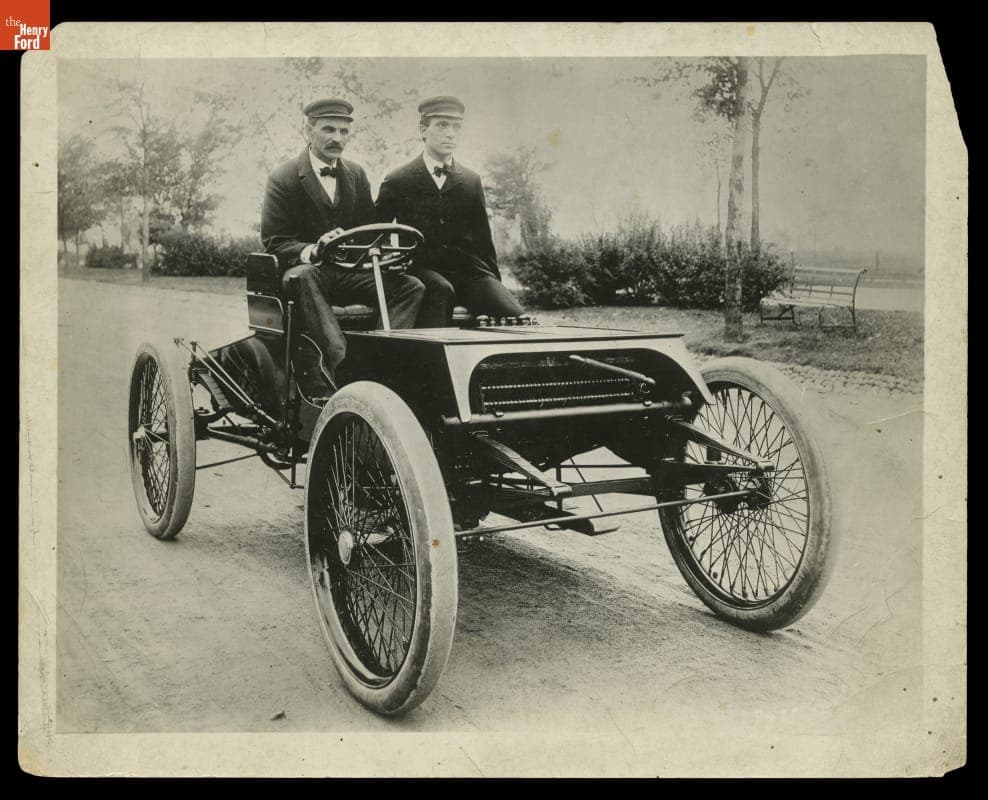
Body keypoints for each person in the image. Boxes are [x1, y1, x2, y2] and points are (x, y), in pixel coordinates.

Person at [261, 97, 426, 397]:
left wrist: (388, 255)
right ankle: (343, 365)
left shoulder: (357, 175)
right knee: (305, 276)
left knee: (412, 287)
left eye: (343, 131)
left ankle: (383, 362)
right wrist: (313, 249)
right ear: (309, 129)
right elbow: (274, 241)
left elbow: (369, 229)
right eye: (328, 129)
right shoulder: (283, 178)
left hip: (351, 272)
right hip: (306, 274)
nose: (337, 138)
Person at [375, 96, 524, 327]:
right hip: (422, 269)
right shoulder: (398, 180)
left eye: (456, 127)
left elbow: (484, 243)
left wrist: (495, 285)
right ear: (423, 130)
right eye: (442, 125)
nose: (451, 133)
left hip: (468, 272)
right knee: (441, 292)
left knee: (517, 316)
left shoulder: (471, 181)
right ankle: (431, 362)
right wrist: (390, 264)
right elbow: (377, 233)